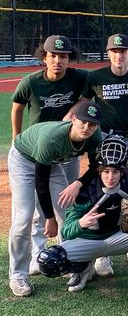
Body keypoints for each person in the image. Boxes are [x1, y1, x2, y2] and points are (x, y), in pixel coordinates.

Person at [10, 35, 89, 275]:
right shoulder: (31, 82)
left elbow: (99, 83)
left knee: (66, 205)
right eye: (52, 56)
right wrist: (16, 136)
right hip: (38, 149)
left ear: (69, 59)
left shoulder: (79, 77)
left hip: (67, 149)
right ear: (44, 58)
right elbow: (17, 107)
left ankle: (66, 257)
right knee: (34, 210)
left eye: (63, 56)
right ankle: (37, 255)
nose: (58, 60)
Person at [8, 101, 103, 297]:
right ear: (73, 118)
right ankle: (18, 274)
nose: (87, 128)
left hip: (53, 163)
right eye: (83, 122)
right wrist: (49, 219)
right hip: (24, 160)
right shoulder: (51, 139)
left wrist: (77, 183)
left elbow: (95, 167)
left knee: (67, 214)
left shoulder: (94, 137)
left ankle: (71, 265)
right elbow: (40, 183)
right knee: (24, 217)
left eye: (92, 124)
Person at [37, 135, 128, 292]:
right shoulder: (83, 192)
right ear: (99, 170)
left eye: (115, 171)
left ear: (123, 171)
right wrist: (81, 223)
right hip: (89, 241)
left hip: (118, 237)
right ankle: (83, 268)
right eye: (106, 171)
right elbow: (66, 231)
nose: (111, 177)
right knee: (51, 260)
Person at [81, 33, 128, 173]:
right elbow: (84, 103)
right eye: (114, 51)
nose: (118, 55)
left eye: (123, 51)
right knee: (102, 179)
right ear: (107, 53)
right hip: (103, 136)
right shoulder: (95, 77)